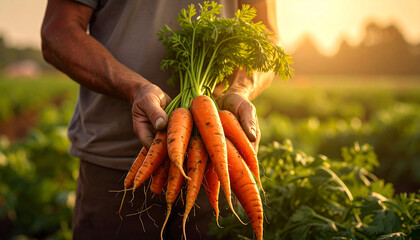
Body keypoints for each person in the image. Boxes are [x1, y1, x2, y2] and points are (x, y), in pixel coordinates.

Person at [41, 0, 279, 239]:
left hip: (216, 166)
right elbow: (59, 30)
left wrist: (239, 89)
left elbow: (266, 37)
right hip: (116, 171)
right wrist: (134, 88)